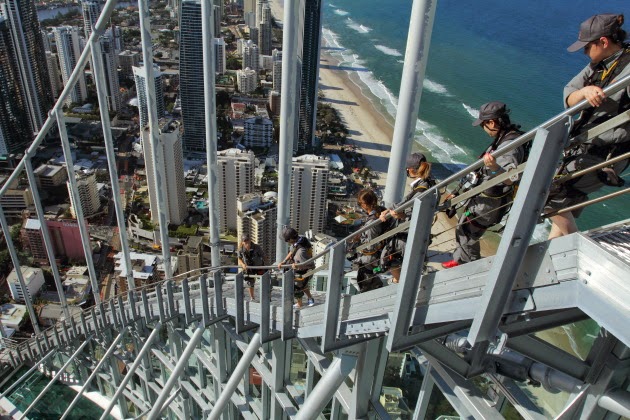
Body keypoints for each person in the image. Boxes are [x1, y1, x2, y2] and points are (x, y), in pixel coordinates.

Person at [546, 14, 630, 239]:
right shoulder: (598, 66)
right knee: (566, 205)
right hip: (585, 145)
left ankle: (578, 243)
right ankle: (551, 252)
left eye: (587, 47)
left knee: (544, 192)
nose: (584, 52)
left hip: (607, 152)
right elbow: (569, 95)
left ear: (603, 42)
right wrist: (584, 92)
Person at [442, 101, 525, 268]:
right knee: (465, 228)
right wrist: (459, 193)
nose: (484, 130)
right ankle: (460, 259)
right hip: (483, 197)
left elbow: (511, 177)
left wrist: (494, 167)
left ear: (492, 122)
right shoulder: (505, 138)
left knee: (467, 230)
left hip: (489, 202)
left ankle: (467, 265)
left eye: (483, 126)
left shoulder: (509, 145)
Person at [379, 152, 436, 282]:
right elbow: (405, 204)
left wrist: (401, 215)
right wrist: (389, 210)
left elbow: (418, 213)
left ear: (410, 169)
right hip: (418, 232)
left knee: (388, 258)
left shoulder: (422, 190)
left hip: (411, 233)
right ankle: (403, 281)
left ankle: (402, 283)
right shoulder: (428, 182)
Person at [348, 189, 386, 293]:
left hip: (370, 261)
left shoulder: (372, 222)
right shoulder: (380, 211)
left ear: (365, 204)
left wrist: (358, 241)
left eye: (360, 203)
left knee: (366, 285)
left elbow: (371, 247)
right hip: (375, 258)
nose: (360, 205)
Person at [278, 227, 316, 308]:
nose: (286, 242)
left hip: (305, 270)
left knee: (297, 286)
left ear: (291, 239)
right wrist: (284, 261)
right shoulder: (300, 239)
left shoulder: (301, 252)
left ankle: (300, 303)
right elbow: (292, 251)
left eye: (287, 240)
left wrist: (296, 265)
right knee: (303, 286)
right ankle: (310, 298)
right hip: (303, 267)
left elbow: (305, 264)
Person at [237, 234, 266, 301]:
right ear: (242, 242)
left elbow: (264, 256)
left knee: (264, 280)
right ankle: (252, 297)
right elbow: (239, 258)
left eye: (247, 240)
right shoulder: (241, 250)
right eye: (245, 241)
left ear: (250, 240)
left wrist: (265, 264)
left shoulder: (256, 247)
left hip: (259, 266)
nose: (246, 242)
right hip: (248, 267)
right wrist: (243, 264)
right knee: (250, 283)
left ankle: (265, 296)